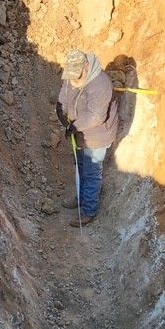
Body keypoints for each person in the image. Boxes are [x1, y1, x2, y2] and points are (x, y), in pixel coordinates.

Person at [56, 49, 118, 226]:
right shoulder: (72, 73)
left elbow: (96, 116)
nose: (74, 81)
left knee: (91, 172)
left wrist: (74, 126)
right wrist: (60, 108)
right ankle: (81, 197)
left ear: (87, 67)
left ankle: (88, 210)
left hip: (98, 134)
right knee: (80, 166)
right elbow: (65, 93)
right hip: (79, 130)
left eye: (78, 77)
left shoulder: (100, 84)